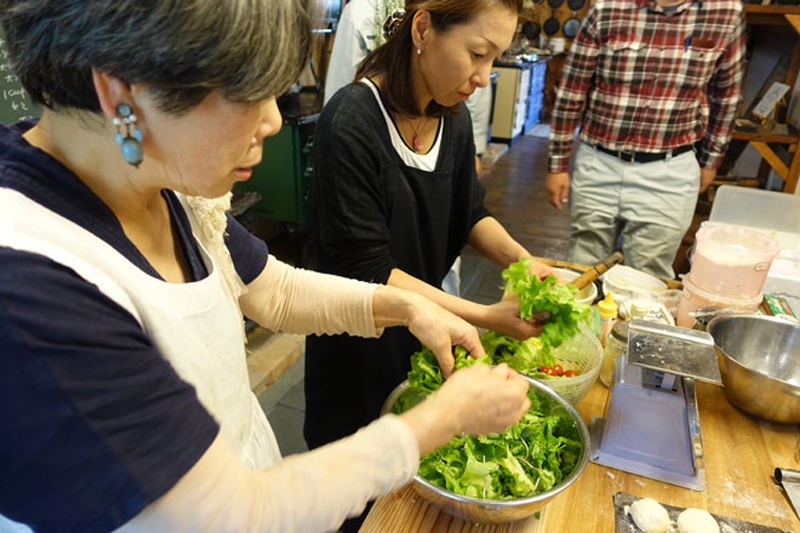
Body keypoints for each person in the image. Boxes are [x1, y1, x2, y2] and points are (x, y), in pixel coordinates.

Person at [0, 1, 534, 532]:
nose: (274, 120)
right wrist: (444, 418)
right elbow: (234, 513)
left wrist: (409, 307)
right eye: (246, 94)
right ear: (121, 94)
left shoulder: (159, 180)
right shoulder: (33, 288)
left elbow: (274, 291)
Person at [304, 0, 557, 488]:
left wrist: (526, 264)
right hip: (358, 340)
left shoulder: (453, 118)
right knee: (353, 484)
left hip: (426, 333)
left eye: (494, 58)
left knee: (416, 472)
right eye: (477, 53)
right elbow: (371, 269)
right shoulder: (352, 120)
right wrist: (481, 316)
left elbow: (470, 215)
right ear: (423, 29)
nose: (484, 76)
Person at [545, 0, 745, 279]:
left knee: (648, 278)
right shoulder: (607, 7)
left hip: (670, 169)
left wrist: (710, 160)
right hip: (598, 162)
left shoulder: (724, 11)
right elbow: (572, 89)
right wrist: (558, 163)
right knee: (585, 270)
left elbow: (727, 96)